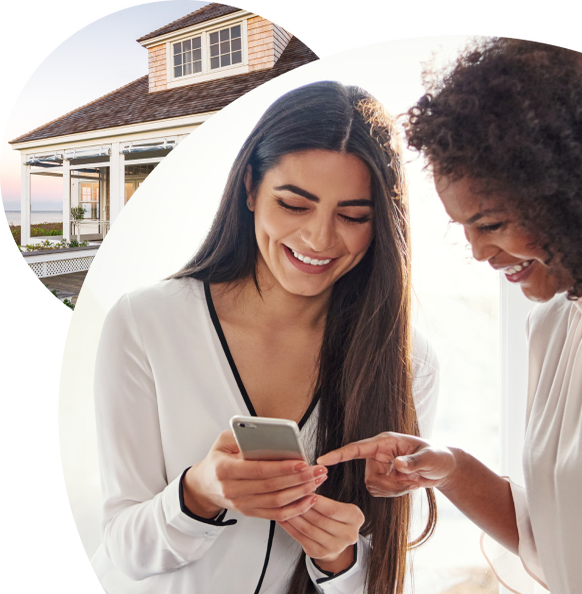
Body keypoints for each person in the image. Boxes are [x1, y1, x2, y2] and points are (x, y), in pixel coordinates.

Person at [317, 38, 582, 594]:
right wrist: (448, 467)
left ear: (573, 192)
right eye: (463, 227)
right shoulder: (553, 324)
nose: (478, 253)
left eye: (489, 224)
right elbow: (555, 537)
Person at [91, 81, 440, 594]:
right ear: (251, 188)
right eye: (295, 205)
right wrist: (199, 492)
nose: (320, 239)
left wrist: (339, 556)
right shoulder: (146, 323)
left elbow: (381, 580)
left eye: (352, 216)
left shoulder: (407, 361)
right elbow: (123, 549)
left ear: (381, 224)